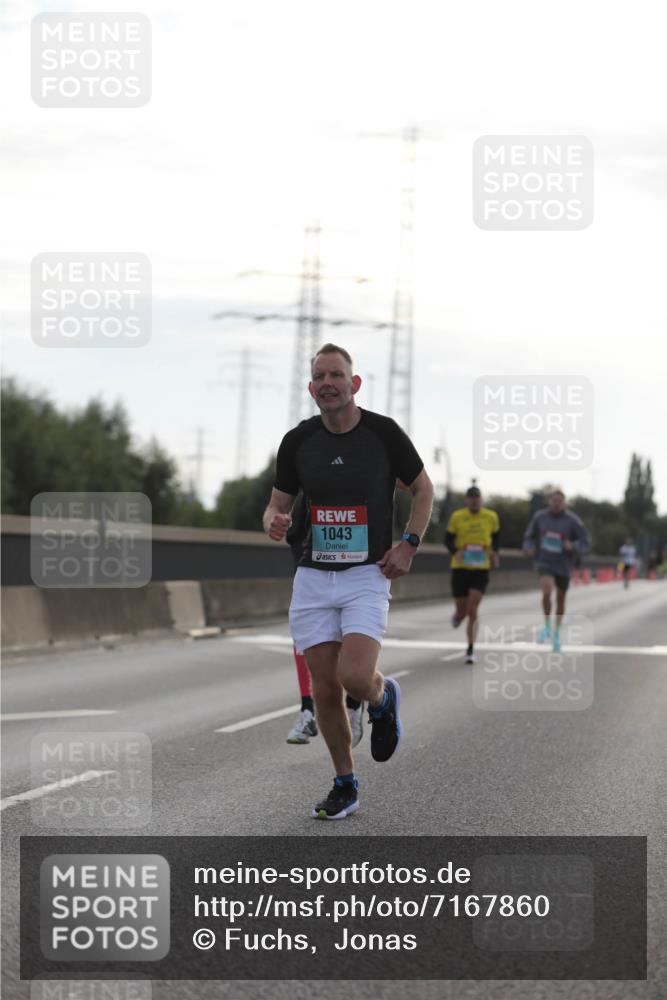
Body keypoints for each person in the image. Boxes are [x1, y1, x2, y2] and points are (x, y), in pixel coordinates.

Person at [263, 343, 433, 820]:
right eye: (319, 376)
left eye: (336, 375)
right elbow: (276, 505)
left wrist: (408, 544)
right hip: (313, 576)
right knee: (324, 689)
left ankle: (382, 696)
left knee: (354, 677)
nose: (327, 383)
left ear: (354, 384)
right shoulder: (298, 441)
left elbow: (423, 489)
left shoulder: (383, 434)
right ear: (310, 387)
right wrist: (274, 521)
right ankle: (345, 783)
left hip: (365, 574)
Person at [285, 492, 363, 746]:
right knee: (304, 636)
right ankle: (307, 710)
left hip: (356, 562)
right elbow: (280, 504)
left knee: (349, 639)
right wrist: (275, 520)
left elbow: (406, 482)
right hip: (311, 554)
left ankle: (354, 703)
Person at [522, 489, 589, 652]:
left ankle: (556, 631)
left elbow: (585, 541)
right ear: (549, 502)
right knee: (546, 589)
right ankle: (546, 625)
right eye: (554, 501)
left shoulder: (573, 521)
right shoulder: (540, 517)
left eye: (559, 501)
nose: (556, 504)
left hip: (564, 564)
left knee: (561, 598)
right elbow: (529, 536)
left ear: (564, 503)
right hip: (545, 561)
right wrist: (528, 547)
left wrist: (573, 546)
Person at [445, 486, 500, 664]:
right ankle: (457, 616)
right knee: (463, 611)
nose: (474, 500)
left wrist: (495, 553)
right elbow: (448, 539)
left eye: (477, 498)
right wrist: (455, 552)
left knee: (473, 608)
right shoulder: (457, 516)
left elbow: (496, 537)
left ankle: (470, 649)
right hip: (461, 567)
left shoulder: (491, 516)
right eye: (471, 498)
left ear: (481, 499)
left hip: (480, 567)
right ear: (466, 500)